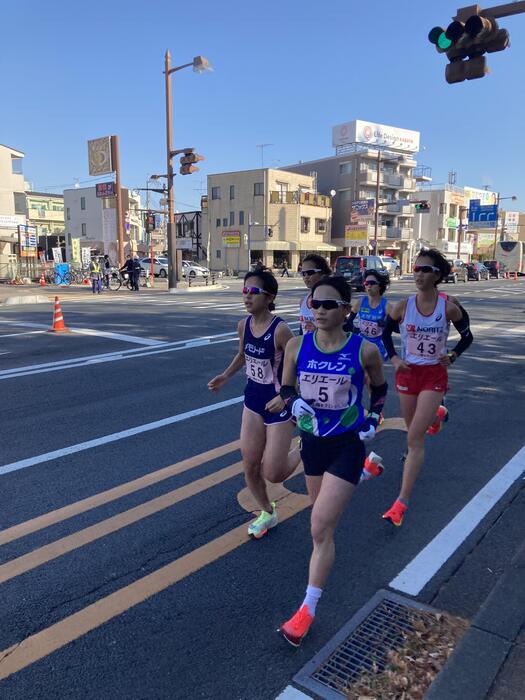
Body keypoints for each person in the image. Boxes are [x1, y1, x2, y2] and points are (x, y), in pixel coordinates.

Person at [276, 276, 387, 646]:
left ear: (345, 309)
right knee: (319, 517)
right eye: (314, 303)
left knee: (320, 527)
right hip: (312, 442)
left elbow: (380, 388)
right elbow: (286, 388)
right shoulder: (296, 346)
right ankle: (363, 474)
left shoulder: (363, 350)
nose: (319, 310)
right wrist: (294, 403)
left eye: (328, 304)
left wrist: (373, 420)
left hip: (346, 443)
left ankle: (307, 609)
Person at [381, 249, 473, 527]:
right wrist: (395, 358)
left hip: (434, 374)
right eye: (416, 268)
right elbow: (385, 332)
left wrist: (453, 355)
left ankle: (401, 503)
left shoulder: (449, 307)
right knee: (414, 430)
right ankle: (436, 416)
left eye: (424, 269)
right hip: (408, 373)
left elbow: (467, 336)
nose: (417, 273)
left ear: (437, 276)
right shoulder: (403, 306)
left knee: (414, 439)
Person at [208, 270, 301, 538]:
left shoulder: (280, 330)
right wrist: (225, 376)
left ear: (269, 297)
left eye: (253, 292)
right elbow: (242, 354)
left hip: (278, 405)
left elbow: (296, 364)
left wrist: (286, 394)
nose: (247, 296)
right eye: (244, 291)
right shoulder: (243, 325)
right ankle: (267, 513)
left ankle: (304, 447)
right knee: (249, 464)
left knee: (274, 473)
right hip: (253, 401)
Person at [345, 269, 392, 360]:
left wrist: (385, 324)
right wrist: (354, 329)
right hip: (362, 341)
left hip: (378, 344)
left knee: (373, 371)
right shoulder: (361, 302)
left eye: (372, 283)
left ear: (379, 286)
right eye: (366, 283)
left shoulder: (386, 306)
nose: (369, 285)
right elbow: (349, 321)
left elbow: (397, 328)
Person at [298, 254, 332, 334]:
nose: (306, 277)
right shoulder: (303, 301)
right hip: (308, 345)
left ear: (323, 273)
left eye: (310, 272)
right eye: (303, 273)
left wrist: (317, 331)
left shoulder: (331, 299)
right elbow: (302, 331)